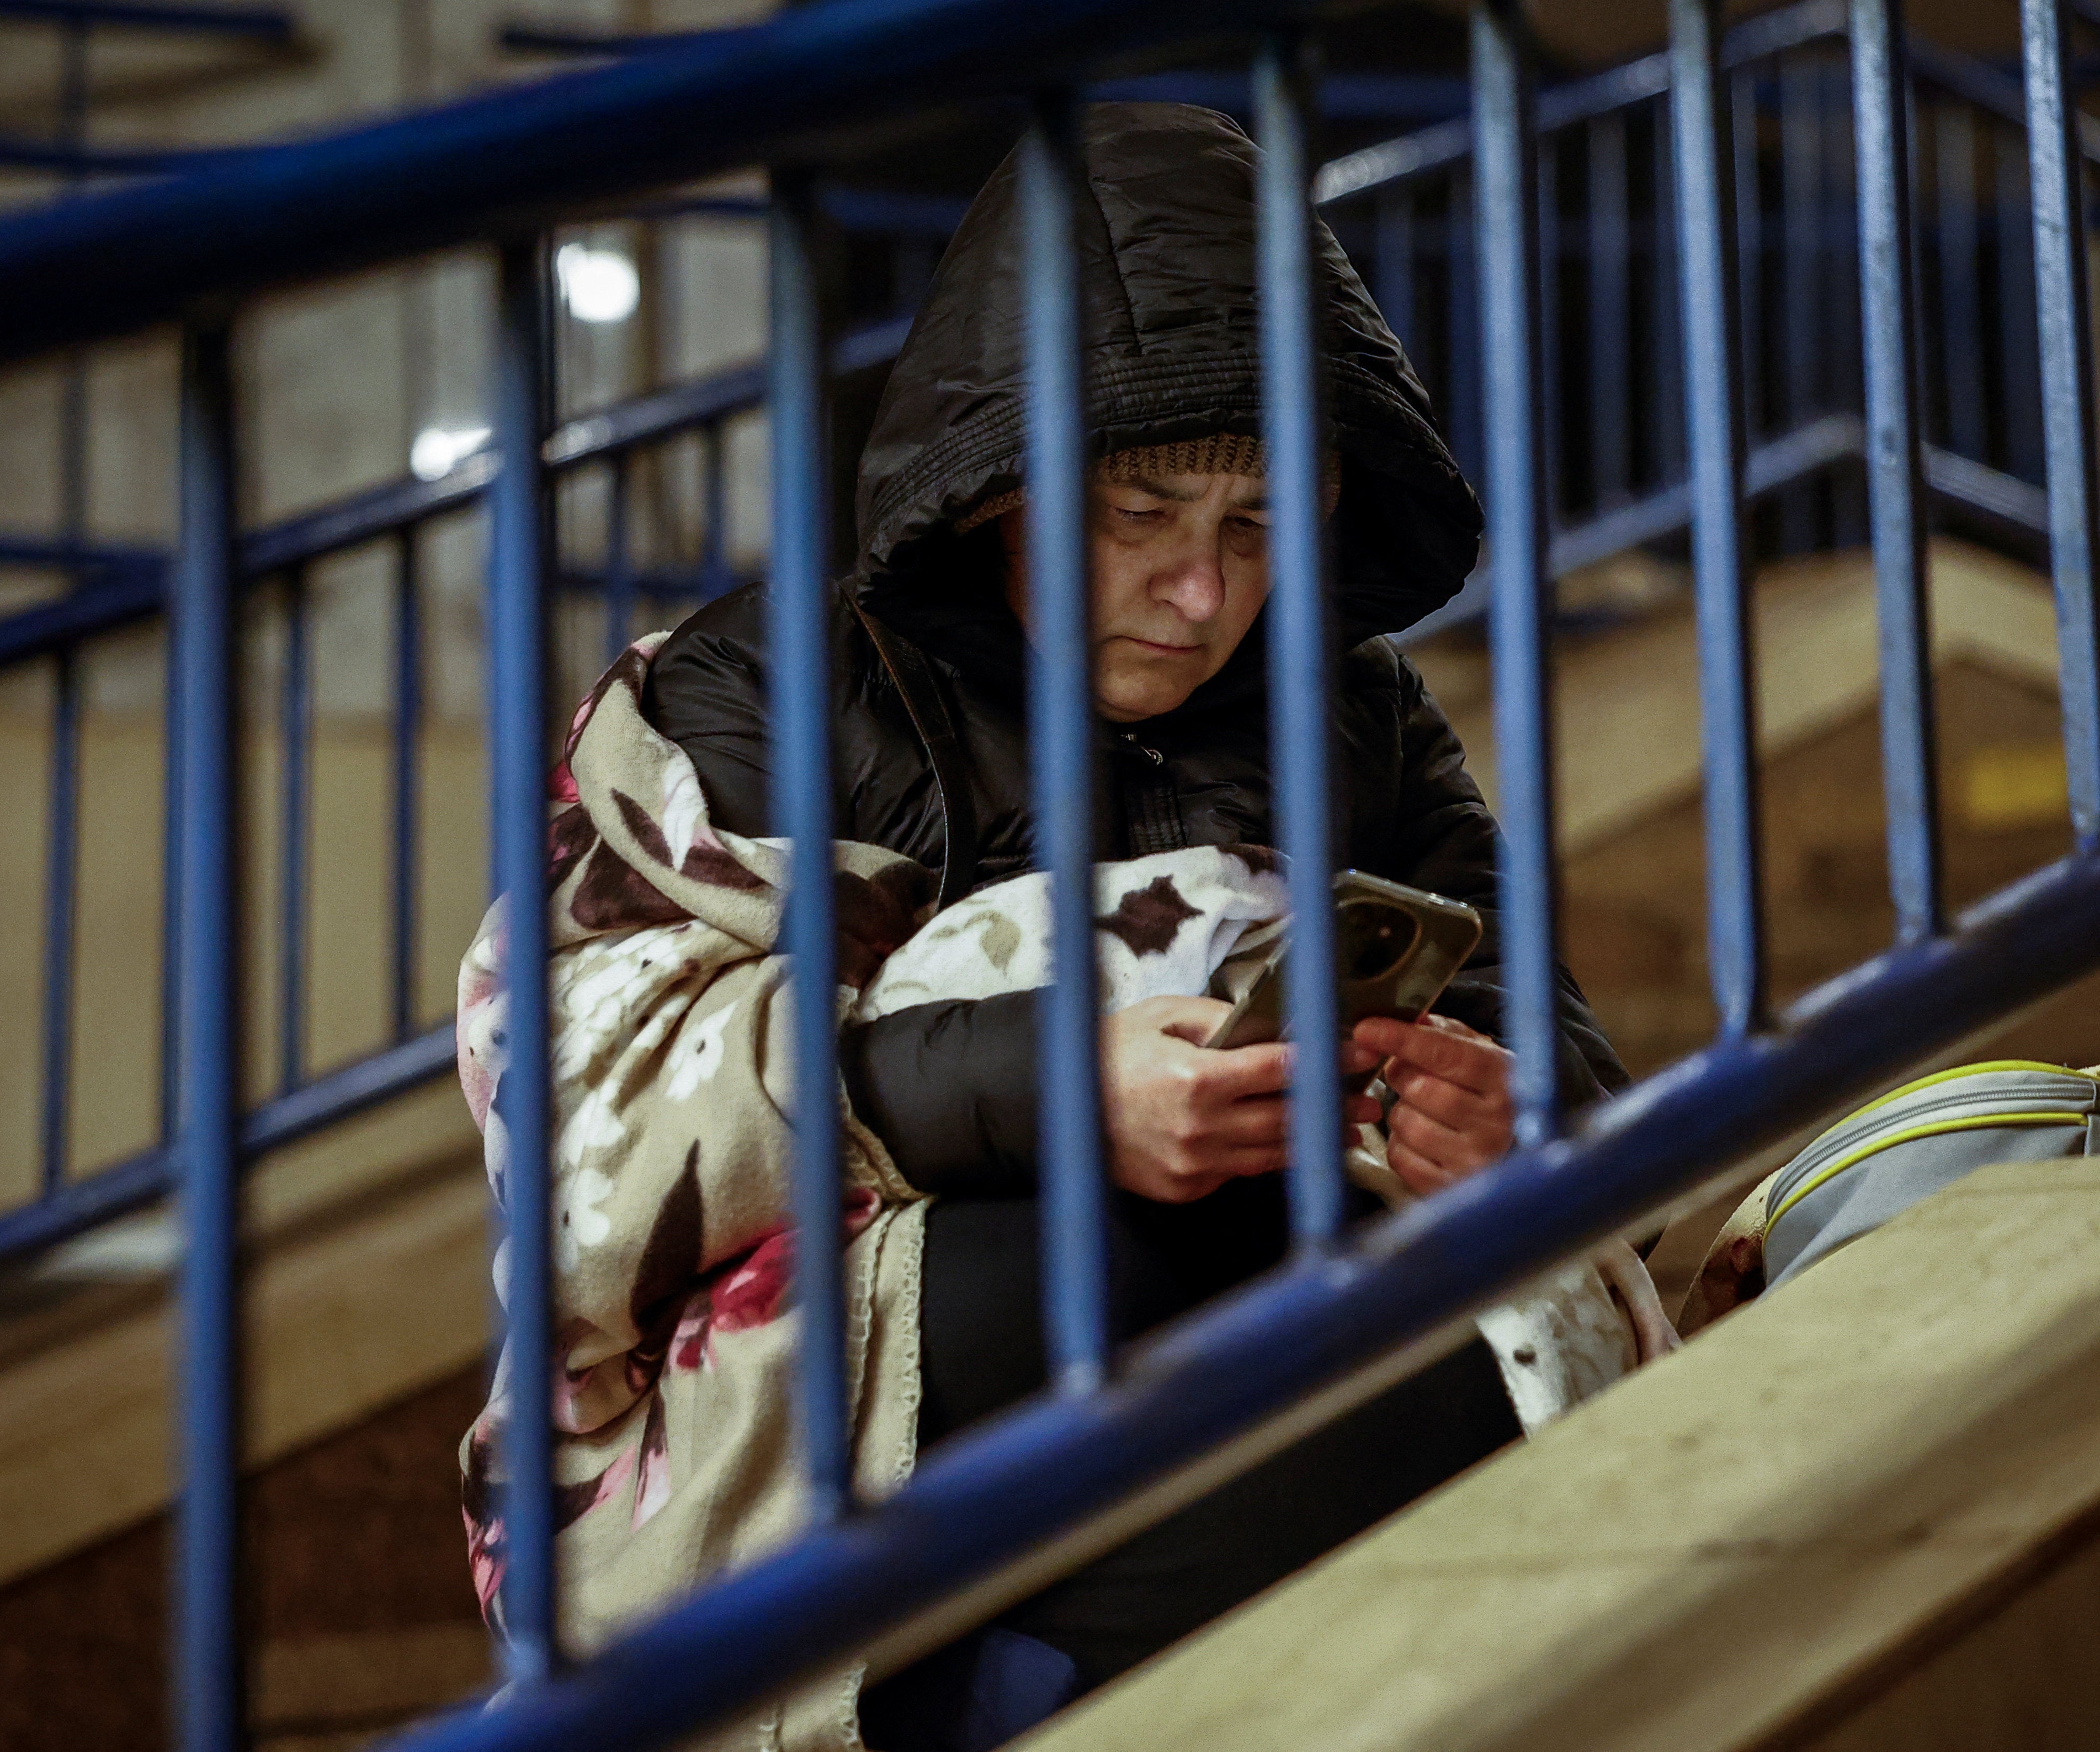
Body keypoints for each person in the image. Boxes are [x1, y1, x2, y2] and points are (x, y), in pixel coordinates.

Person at [641, 104, 1629, 1739]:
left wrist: (1510, 1103)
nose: (1203, 592)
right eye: (1140, 514)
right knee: (1172, 1276)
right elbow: (625, 1082)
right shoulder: (754, 690)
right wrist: (1066, 1087)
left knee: (1429, 1336)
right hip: (887, 1345)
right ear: (992, 490)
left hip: (1246, 1362)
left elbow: (1554, 1027)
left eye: (1258, 525)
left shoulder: (1357, 708)